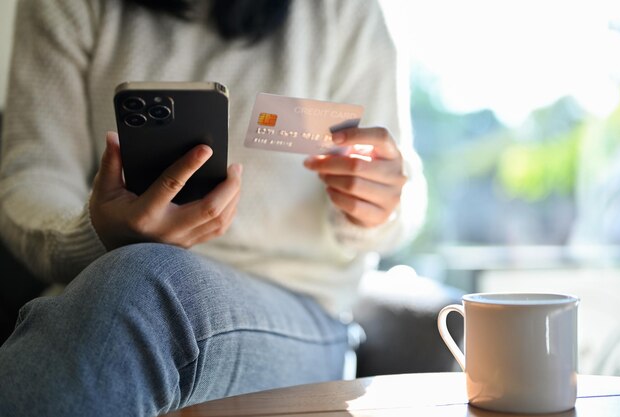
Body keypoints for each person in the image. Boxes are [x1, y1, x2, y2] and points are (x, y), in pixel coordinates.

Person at [0, 0, 427, 415]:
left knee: (144, 285)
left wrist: (376, 204)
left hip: (295, 311)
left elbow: (401, 197)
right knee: (134, 284)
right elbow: (31, 180)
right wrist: (94, 233)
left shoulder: (344, 10)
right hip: (99, 287)